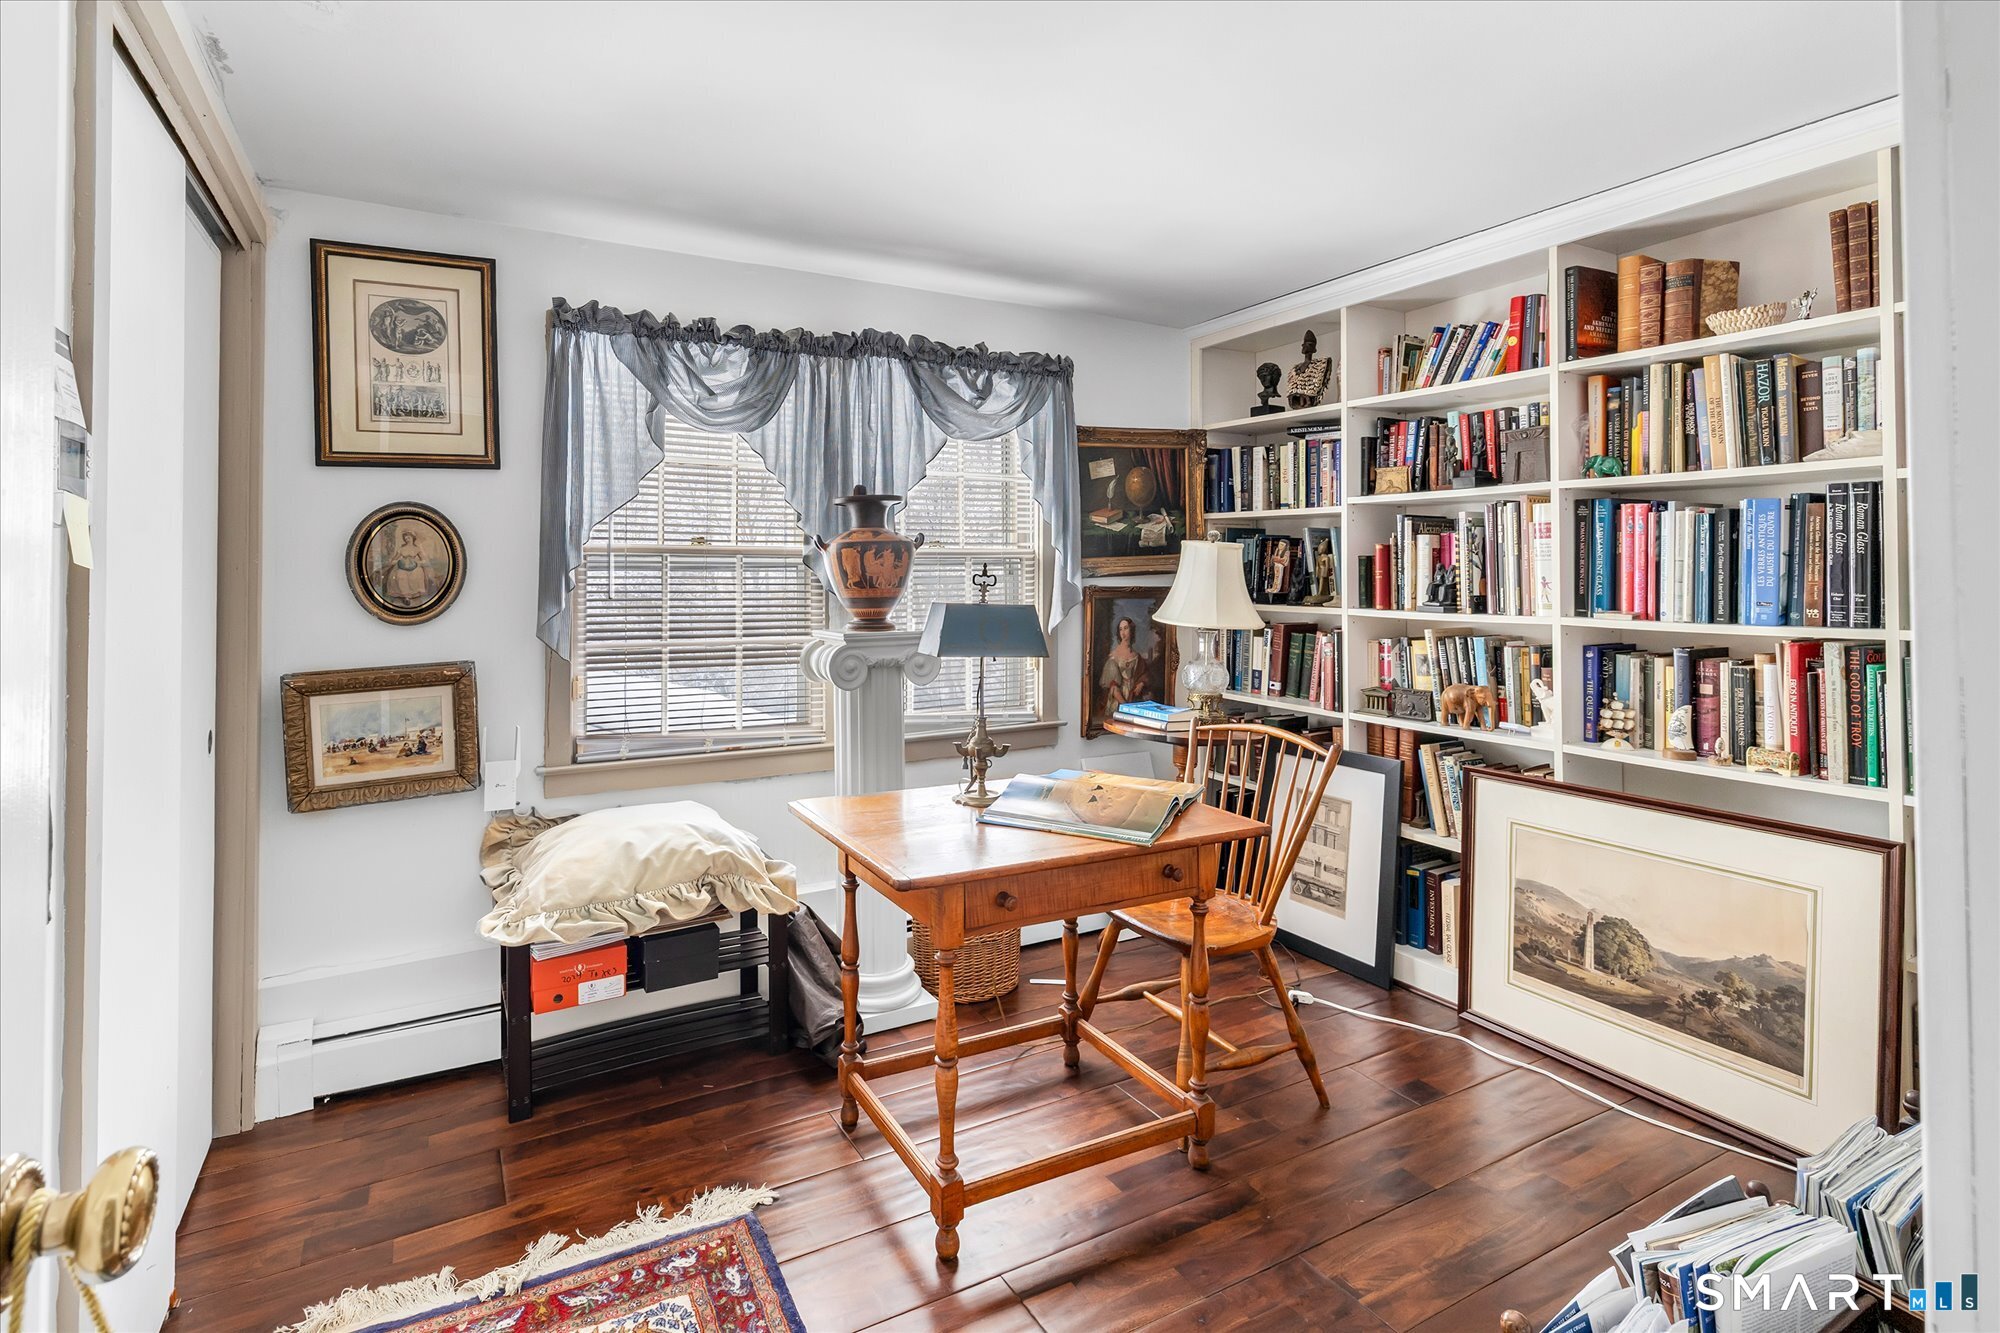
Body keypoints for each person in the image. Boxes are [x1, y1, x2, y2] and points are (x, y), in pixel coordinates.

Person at [1098, 615, 1150, 713]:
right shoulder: (1113, 657)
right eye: (1120, 629)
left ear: (1131, 630)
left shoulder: (1137, 656)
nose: (1123, 632)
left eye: (1126, 628)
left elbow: (1144, 675)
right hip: (1118, 700)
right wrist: (1127, 707)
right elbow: (1113, 688)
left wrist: (1141, 684)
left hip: (1133, 696)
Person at [382, 526, 436, 607]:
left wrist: (416, 563)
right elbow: (394, 560)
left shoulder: (417, 549)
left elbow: (424, 560)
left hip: (414, 566)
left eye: (409, 536)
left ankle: (413, 594)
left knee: (416, 574)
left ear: (413, 538)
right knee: (400, 575)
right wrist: (399, 562)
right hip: (402, 567)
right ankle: (406, 597)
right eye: (405, 537)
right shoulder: (401, 549)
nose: (407, 538)